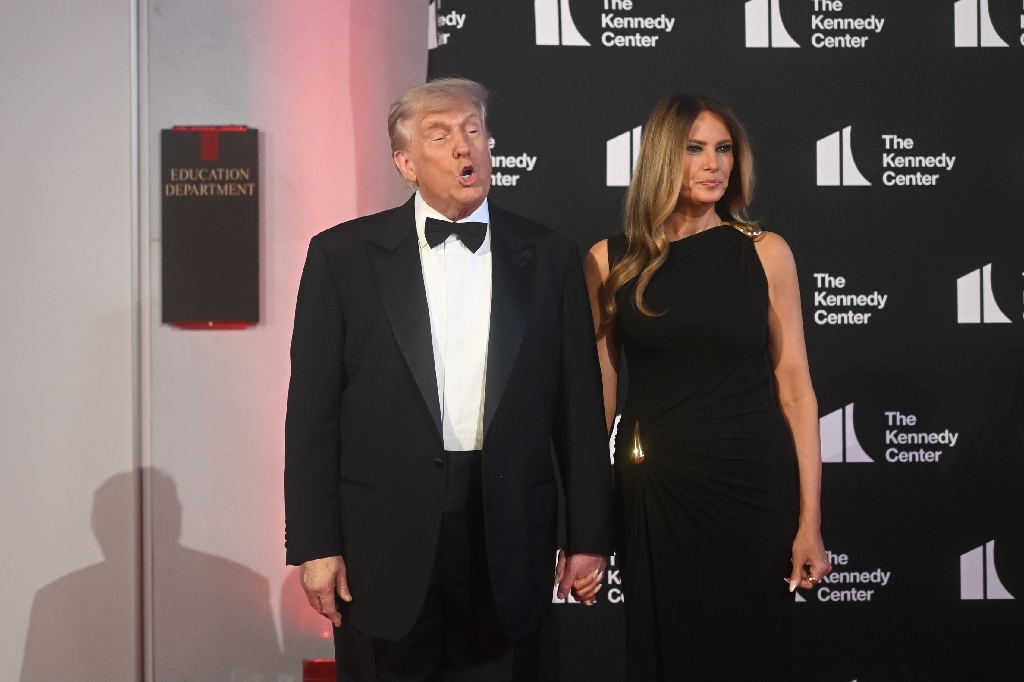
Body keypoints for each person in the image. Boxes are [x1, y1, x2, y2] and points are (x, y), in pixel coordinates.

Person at [284, 78, 613, 682]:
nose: (465, 147)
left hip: (508, 526)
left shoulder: (550, 256)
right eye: (440, 136)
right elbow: (311, 414)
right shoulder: (342, 257)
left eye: (473, 130)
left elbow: (580, 410)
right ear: (405, 163)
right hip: (382, 540)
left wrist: (588, 534)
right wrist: (315, 545)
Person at [583, 93, 831, 680]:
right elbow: (599, 401)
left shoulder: (765, 254)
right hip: (656, 488)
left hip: (753, 489)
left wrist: (810, 522)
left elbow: (796, 391)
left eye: (724, 149)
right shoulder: (610, 260)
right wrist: (585, 522)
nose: (714, 164)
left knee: (752, 654)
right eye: (695, 148)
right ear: (662, 157)